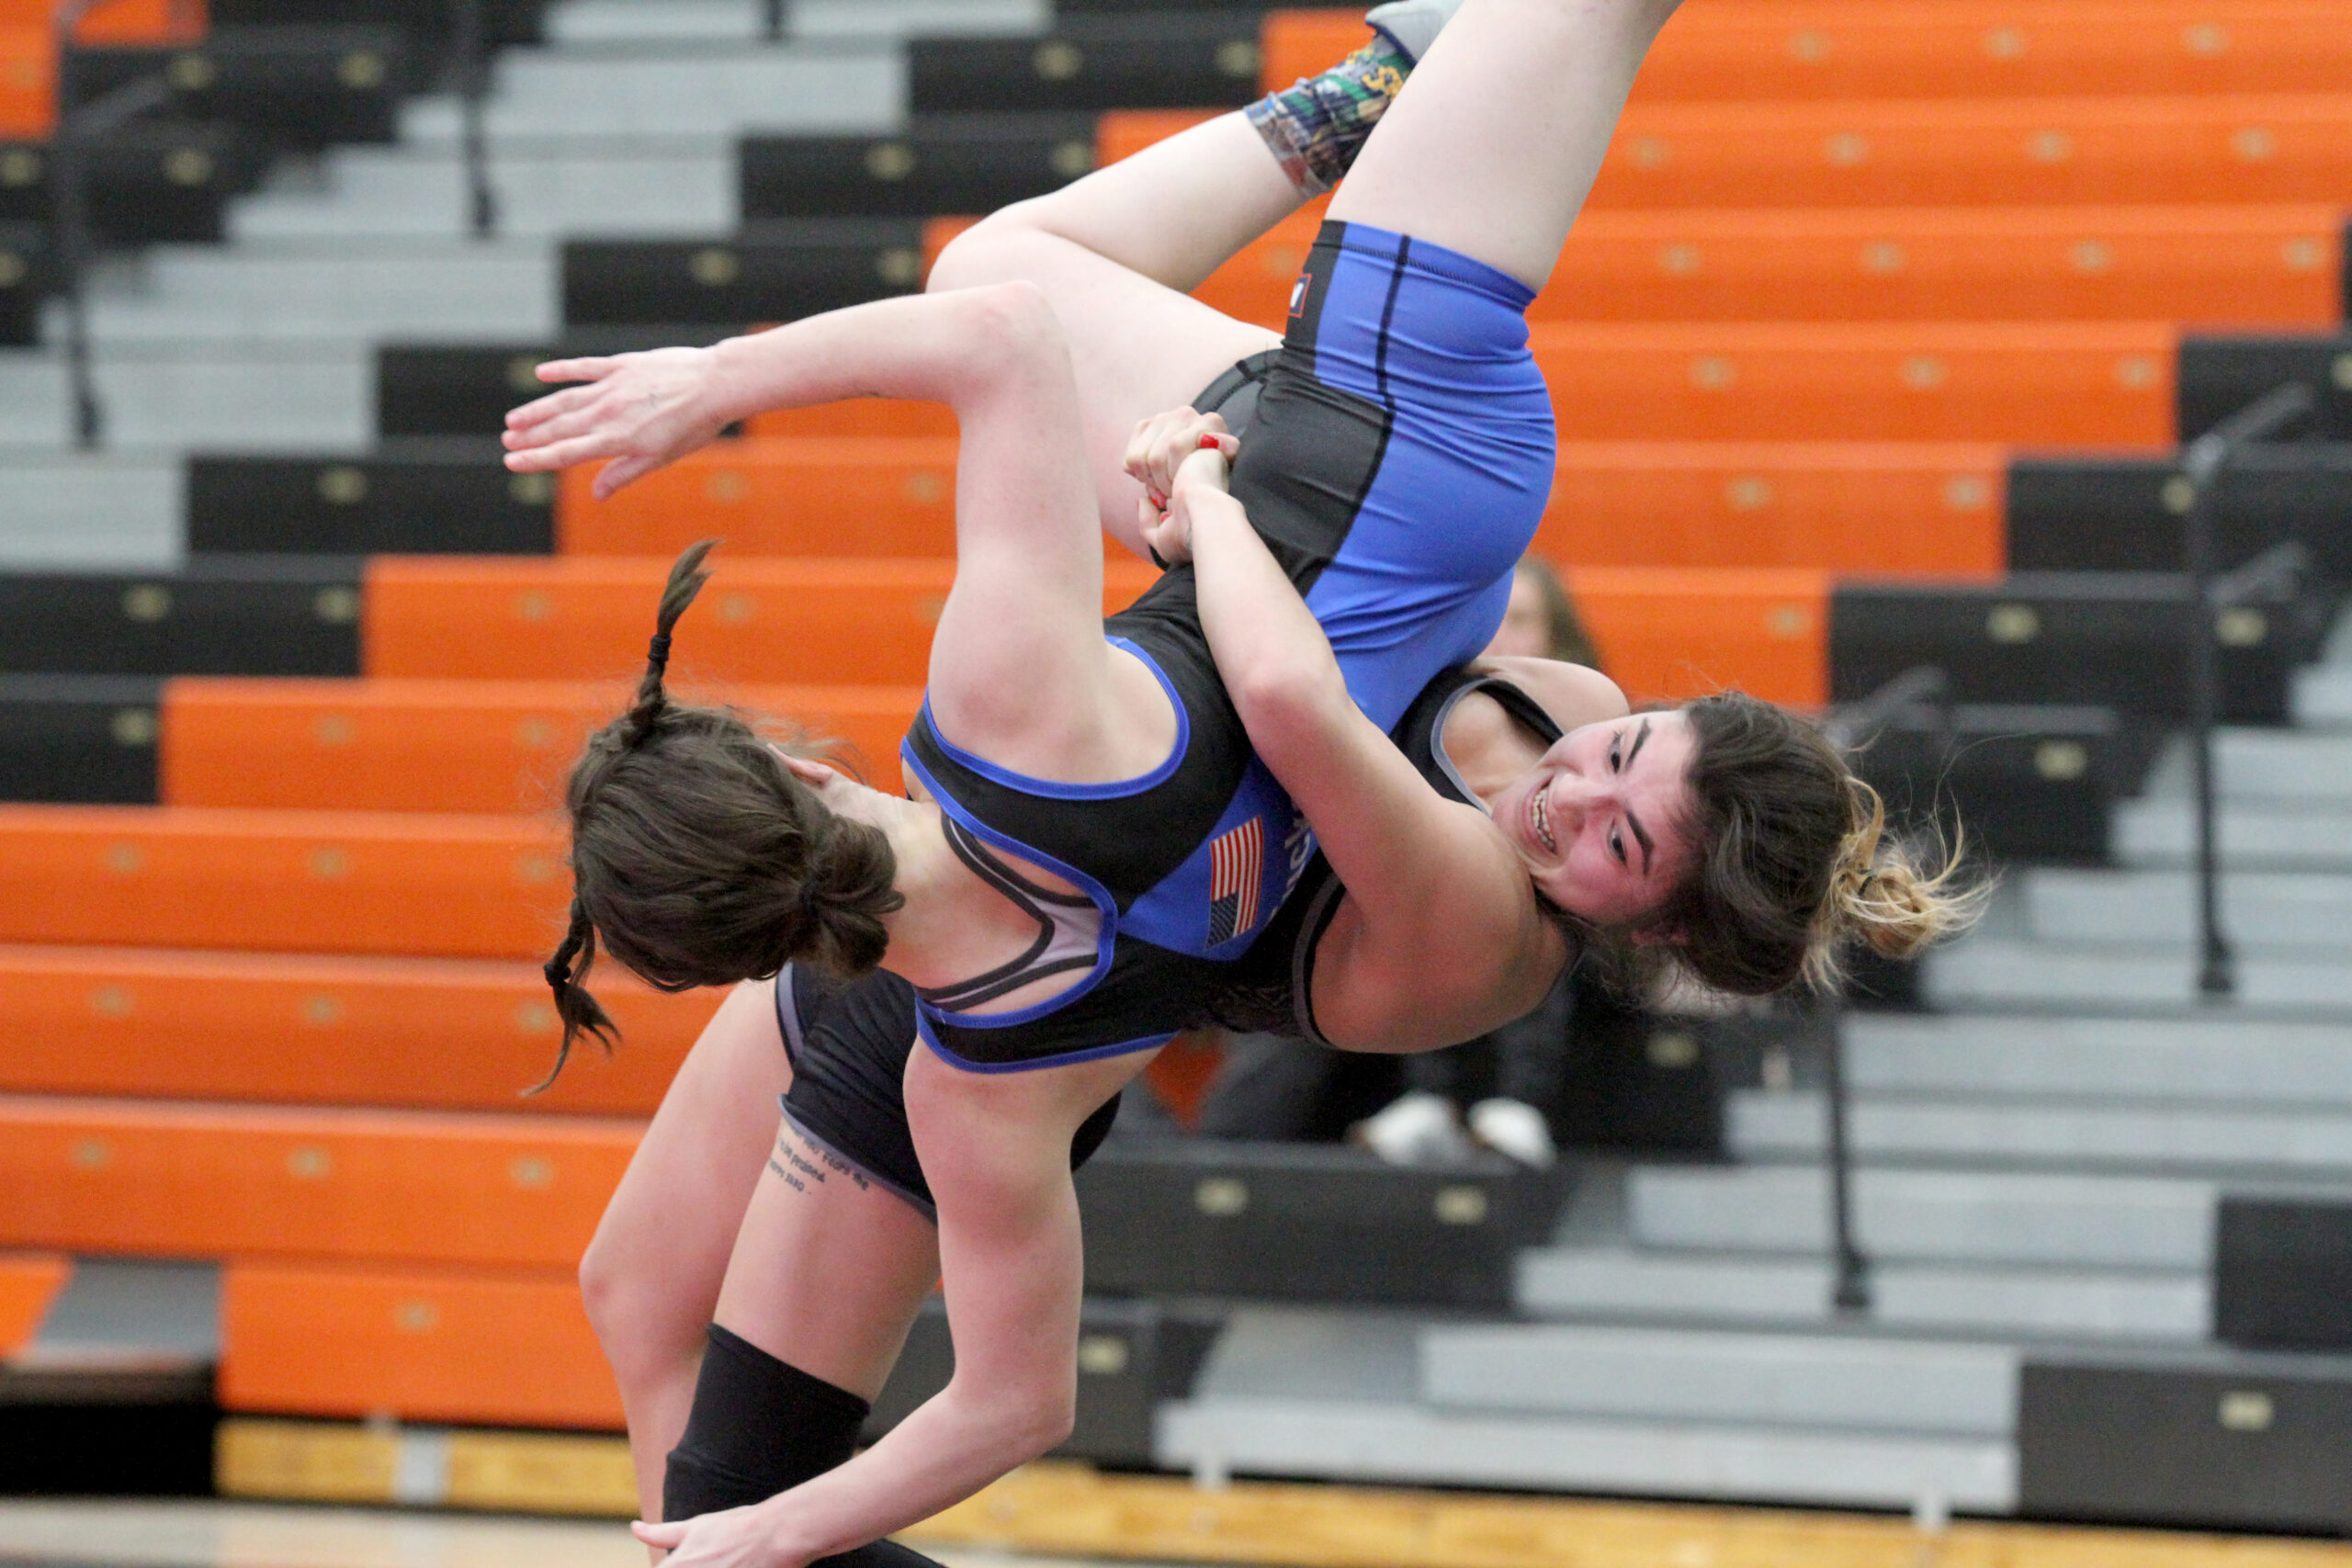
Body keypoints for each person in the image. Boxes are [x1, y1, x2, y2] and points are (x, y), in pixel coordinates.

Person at [505, 4, 1977, 1564]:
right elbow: (1319, 690)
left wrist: (1202, 515)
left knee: (986, 269)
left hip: (1217, 591)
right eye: (1615, 765)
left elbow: (1291, 701)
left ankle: (1376, 88)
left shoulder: (1476, 930)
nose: (1563, 792)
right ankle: (1381, 84)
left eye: (1614, 838)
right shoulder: (1537, 725)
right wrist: (1194, 514)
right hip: (1366, 487)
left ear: (1655, 935)